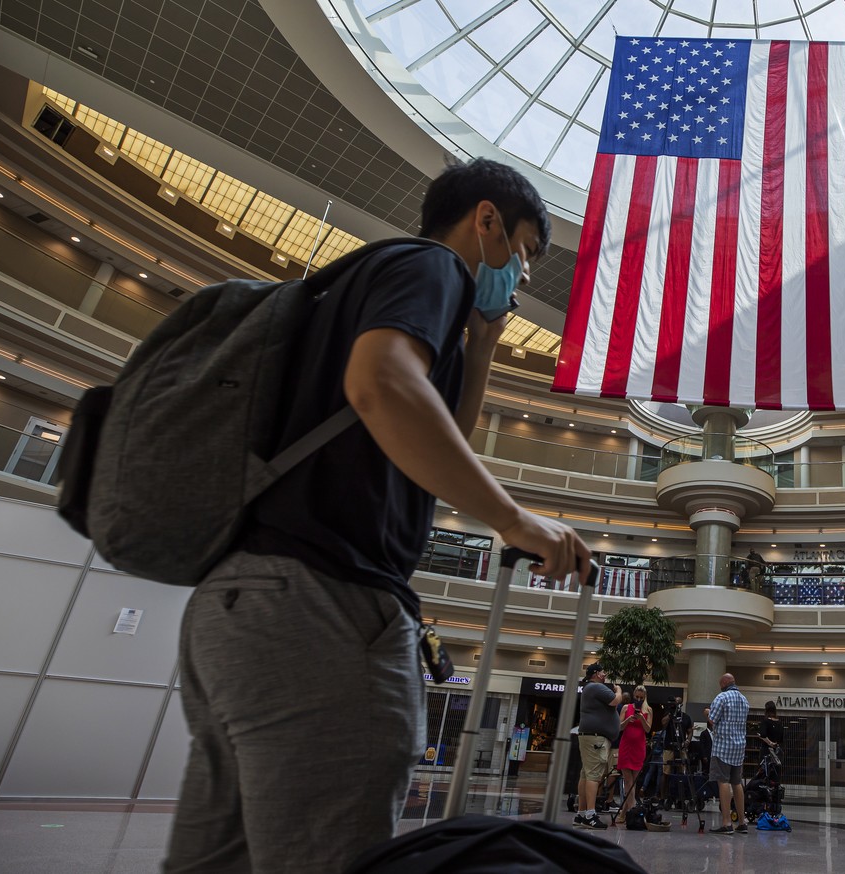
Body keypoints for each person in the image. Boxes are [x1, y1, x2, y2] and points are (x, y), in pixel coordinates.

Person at [163, 159, 592, 873]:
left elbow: (438, 442)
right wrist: (514, 521)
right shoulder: (432, 269)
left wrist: (480, 348)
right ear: (485, 220)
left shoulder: (357, 286)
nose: (521, 278)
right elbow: (382, 385)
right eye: (524, 254)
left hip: (237, 604)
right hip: (322, 602)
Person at [575, 663, 622, 829]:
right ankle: (590, 814)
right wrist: (619, 690)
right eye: (603, 671)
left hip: (590, 737)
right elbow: (615, 700)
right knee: (594, 775)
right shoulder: (596, 687)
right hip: (595, 739)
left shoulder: (589, 688)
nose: (605, 674)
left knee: (586, 775)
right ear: (596, 673)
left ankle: (581, 814)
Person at [709, 672, 751, 834]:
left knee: (723, 781)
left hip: (723, 747)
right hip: (739, 748)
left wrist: (707, 713)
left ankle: (726, 822)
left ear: (724, 683)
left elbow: (712, 719)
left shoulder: (722, 698)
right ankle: (742, 822)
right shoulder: (744, 700)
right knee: (737, 782)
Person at [616, 685, 652, 822]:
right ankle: (632, 812)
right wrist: (628, 719)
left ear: (645, 698)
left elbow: (648, 729)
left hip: (639, 748)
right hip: (626, 747)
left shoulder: (648, 710)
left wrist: (641, 718)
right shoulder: (626, 708)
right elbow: (619, 727)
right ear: (633, 695)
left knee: (633, 784)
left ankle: (625, 813)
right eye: (636, 697)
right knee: (628, 782)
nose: (638, 699)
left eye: (641, 698)